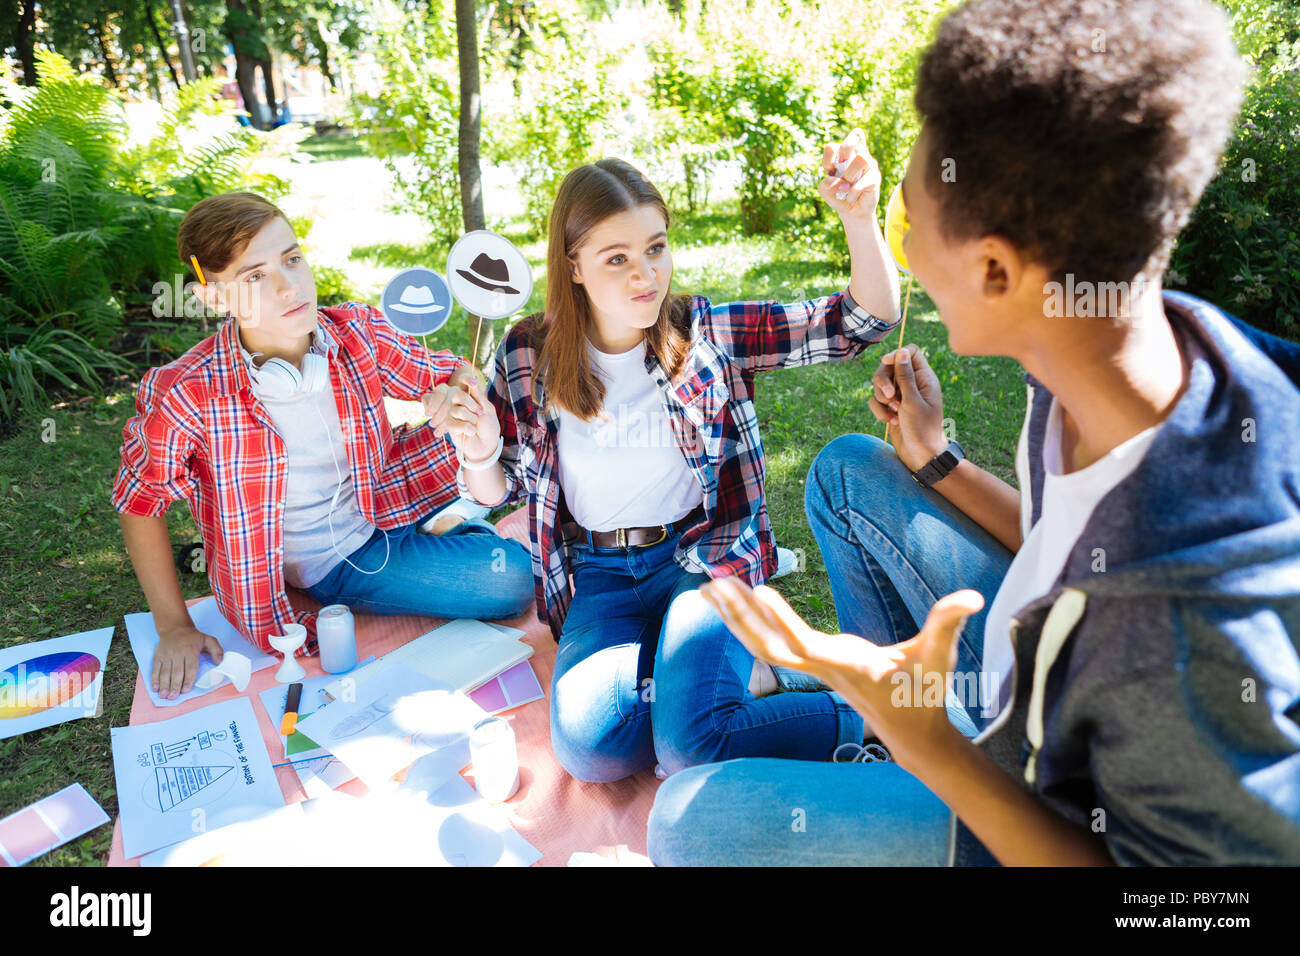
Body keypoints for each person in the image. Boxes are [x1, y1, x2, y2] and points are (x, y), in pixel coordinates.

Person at [647, 0, 1300, 865]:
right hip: (1025, 663)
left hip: (1043, 793)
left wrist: (934, 747)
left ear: (995, 269)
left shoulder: (1191, 629)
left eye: (911, 225)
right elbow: (1072, 541)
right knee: (848, 470)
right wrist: (939, 459)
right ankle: (885, 724)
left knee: (688, 819)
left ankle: (892, 745)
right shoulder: (1117, 346)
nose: (906, 251)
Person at [447, 142, 903, 782]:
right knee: (592, 750)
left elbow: (862, 322)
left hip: (701, 558)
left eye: (656, 248)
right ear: (573, 266)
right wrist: (480, 450)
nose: (646, 276)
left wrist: (861, 217)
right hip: (601, 574)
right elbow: (496, 493)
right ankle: (752, 674)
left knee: (688, 746)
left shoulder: (703, 333)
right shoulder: (529, 350)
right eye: (618, 258)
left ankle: (863, 716)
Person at [112, 192, 533, 700]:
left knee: (497, 546)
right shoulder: (186, 393)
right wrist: (174, 625)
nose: (290, 286)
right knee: (511, 581)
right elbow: (139, 501)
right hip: (336, 558)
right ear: (215, 298)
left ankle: (444, 523)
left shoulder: (355, 333)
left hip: (381, 502)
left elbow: (451, 371)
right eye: (255, 276)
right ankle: (450, 526)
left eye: (292, 258)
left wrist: (457, 389)